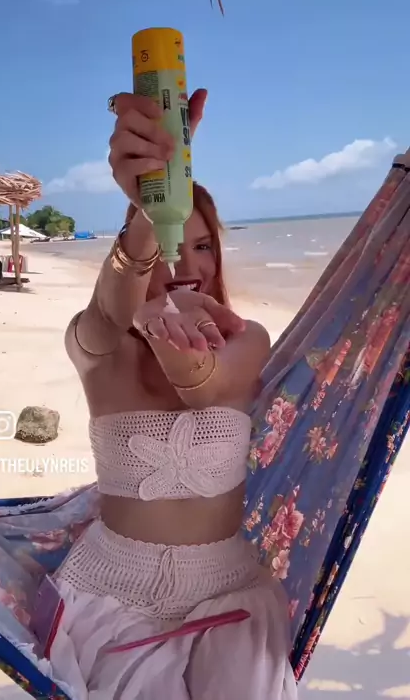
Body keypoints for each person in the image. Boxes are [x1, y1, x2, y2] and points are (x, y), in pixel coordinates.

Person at [49, 89, 298, 699]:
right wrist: (145, 205)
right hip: (111, 589)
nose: (188, 264)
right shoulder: (99, 348)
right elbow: (109, 313)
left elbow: (204, 385)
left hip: (229, 590)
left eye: (203, 245)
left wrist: (182, 349)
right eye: (167, 243)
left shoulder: (247, 338)